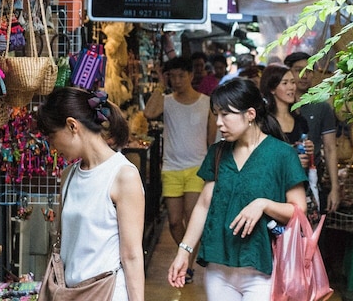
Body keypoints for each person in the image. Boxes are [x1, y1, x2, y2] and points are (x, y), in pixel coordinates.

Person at [167, 79, 309, 300]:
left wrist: (263, 205)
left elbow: (299, 210)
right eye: (216, 115)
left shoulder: (282, 154)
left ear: (250, 114)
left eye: (225, 115)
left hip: (263, 270)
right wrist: (183, 252)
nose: (219, 123)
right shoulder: (217, 153)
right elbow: (204, 206)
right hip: (218, 269)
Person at [38, 87, 146, 301]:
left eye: (52, 136)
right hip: (70, 293)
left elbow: (132, 256)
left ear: (72, 126)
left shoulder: (123, 176)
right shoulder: (68, 175)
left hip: (108, 292)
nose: (52, 146)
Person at [141, 57, 213, 274]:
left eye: (181, 75)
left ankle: (187, 265)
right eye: (172, 76)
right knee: (174, 222)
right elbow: (148, 113)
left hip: (197, 168)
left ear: (191, 75)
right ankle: (186, 255)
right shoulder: (167, 101)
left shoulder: (206, 102)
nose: (177, 80)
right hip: (171, 168)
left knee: (192, 219)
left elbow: (211, 140)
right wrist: (161, 85)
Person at [284, 52, 346, 214]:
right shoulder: (280, 105)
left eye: (309, 71)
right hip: (282, 179)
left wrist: (334, 187)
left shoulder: (321, 106)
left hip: (312, 178)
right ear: (288, 72)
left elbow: (330, 148)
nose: (304, 75)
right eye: (299, 70)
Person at [260, 65, 318, 210]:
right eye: (285, 83)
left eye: (292, 82)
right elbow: (259, 157)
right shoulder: (264, 123)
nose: (291, 87)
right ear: (272, 89)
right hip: (273, 190)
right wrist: (290, 158)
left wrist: (309, 150)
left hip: (298, 187)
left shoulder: (300, 121)